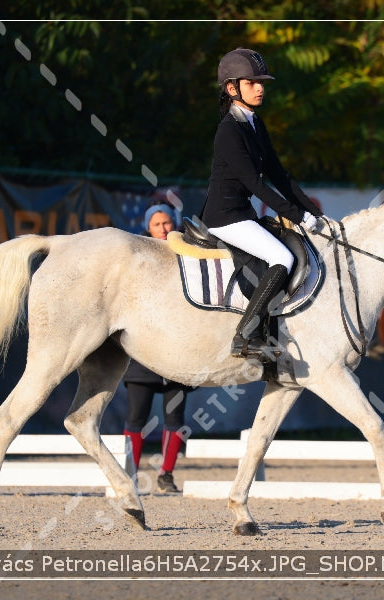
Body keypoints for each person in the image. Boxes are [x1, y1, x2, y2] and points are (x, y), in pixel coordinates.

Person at [200, 48, 325, 358]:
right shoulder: (229, 131)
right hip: (223, 217)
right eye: (252, 82)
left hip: (242, 214)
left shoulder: (255, 124)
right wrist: (296, 215)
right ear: (232, 88)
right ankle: (245, 335)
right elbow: (255, 184)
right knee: (282, 258)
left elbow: (279, 176)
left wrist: (313, 212)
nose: (260, 88)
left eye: (261, 82)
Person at [123, 202, 192, 493]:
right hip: (144, 352)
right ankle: (129, 477)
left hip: (177, 352)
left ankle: (166, 475)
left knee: (175, 419)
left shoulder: (187, 256)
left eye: (167, 223)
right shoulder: (136, 258)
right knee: (135, 418)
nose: (164, 229)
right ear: (147, 228)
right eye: (157, 224)